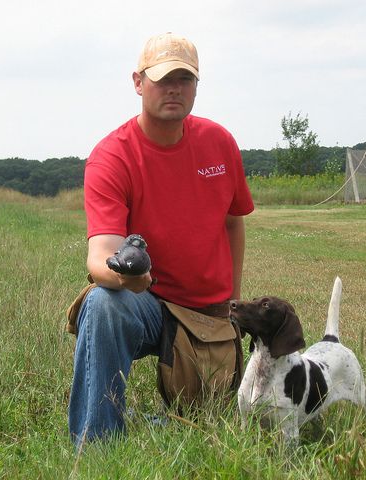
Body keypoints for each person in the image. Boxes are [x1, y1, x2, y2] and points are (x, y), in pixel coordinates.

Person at [68, 32, 254, 446]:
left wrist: (234, 306)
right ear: (138, 82)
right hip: (147, 299)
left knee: (208, 428)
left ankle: (151, 422)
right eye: (162, 78)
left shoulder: (220, 143)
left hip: (206, 310)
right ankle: (97, 446)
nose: (174, 88)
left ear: (196, 85)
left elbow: (233, 222)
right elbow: (99, 257)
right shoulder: (113, 155)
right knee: (102, 305)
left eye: (185, 79)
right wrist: (126, 279)